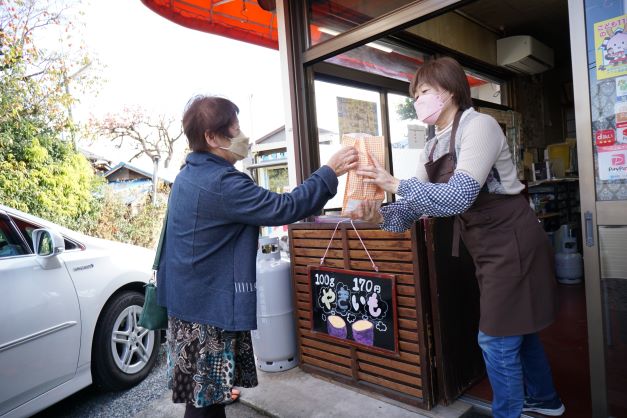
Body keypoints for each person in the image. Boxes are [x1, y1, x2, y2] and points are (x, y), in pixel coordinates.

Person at [350, 57, 565, 418]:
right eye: (414, 94)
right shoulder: (432, 147)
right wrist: (375, 215)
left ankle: (508, 413)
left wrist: (396, 183)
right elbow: (410, 212)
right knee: (518, 329)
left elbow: (458, 196)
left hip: (513, 240)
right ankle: (546, 400)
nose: (418, 100)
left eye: (424, 92)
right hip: (485, 245)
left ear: (449, 91)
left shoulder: (479, 126)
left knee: (496, 339)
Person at [157, 95, 358, 418]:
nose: (241, 133)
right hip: (207, 308)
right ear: (211, 137)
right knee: (204, 403)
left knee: (200, 395)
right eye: (233, 127)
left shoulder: (187, 174)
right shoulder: (222, 182)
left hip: (186, 300)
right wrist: (329, 171)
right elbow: (285, 207)